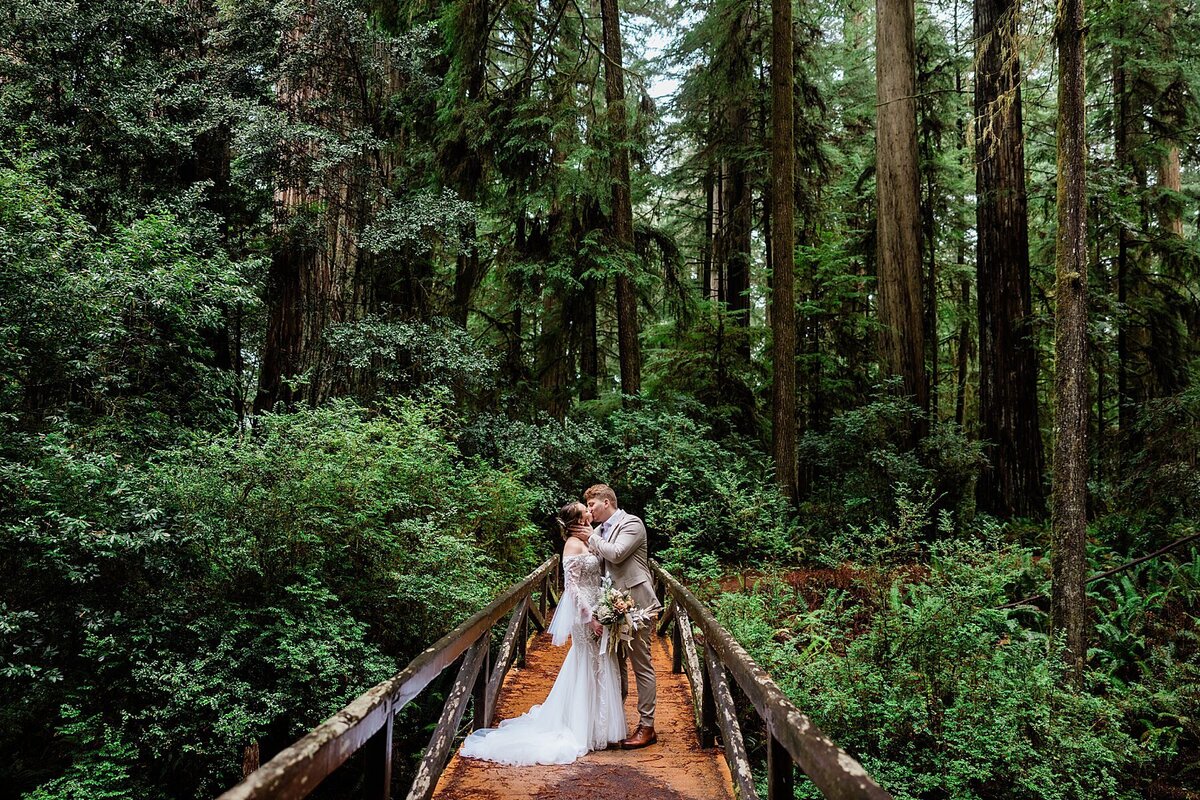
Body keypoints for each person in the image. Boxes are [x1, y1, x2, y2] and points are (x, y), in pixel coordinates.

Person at [458, 501, 625, 765]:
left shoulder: (590, 538)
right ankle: (581, 728)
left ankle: (598, 727)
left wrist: (606, 605)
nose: (590, 512)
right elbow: (571, 587)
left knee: (600, 663)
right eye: (586, 510)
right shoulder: (572, 544)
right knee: (587, 662)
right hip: (585, 614)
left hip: (598, 604)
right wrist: (590, 616)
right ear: (579, 519)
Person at [569, 484, 662, 749]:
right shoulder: (596, 531)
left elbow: (617, 554)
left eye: (592, 506)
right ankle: (615, 721)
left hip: (638, 606)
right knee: (615, 663)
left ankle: (647, 726)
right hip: (609, 605)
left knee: (640, 664)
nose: (589, 511)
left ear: (607, 502)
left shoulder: (633, 524)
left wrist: (592, 538)